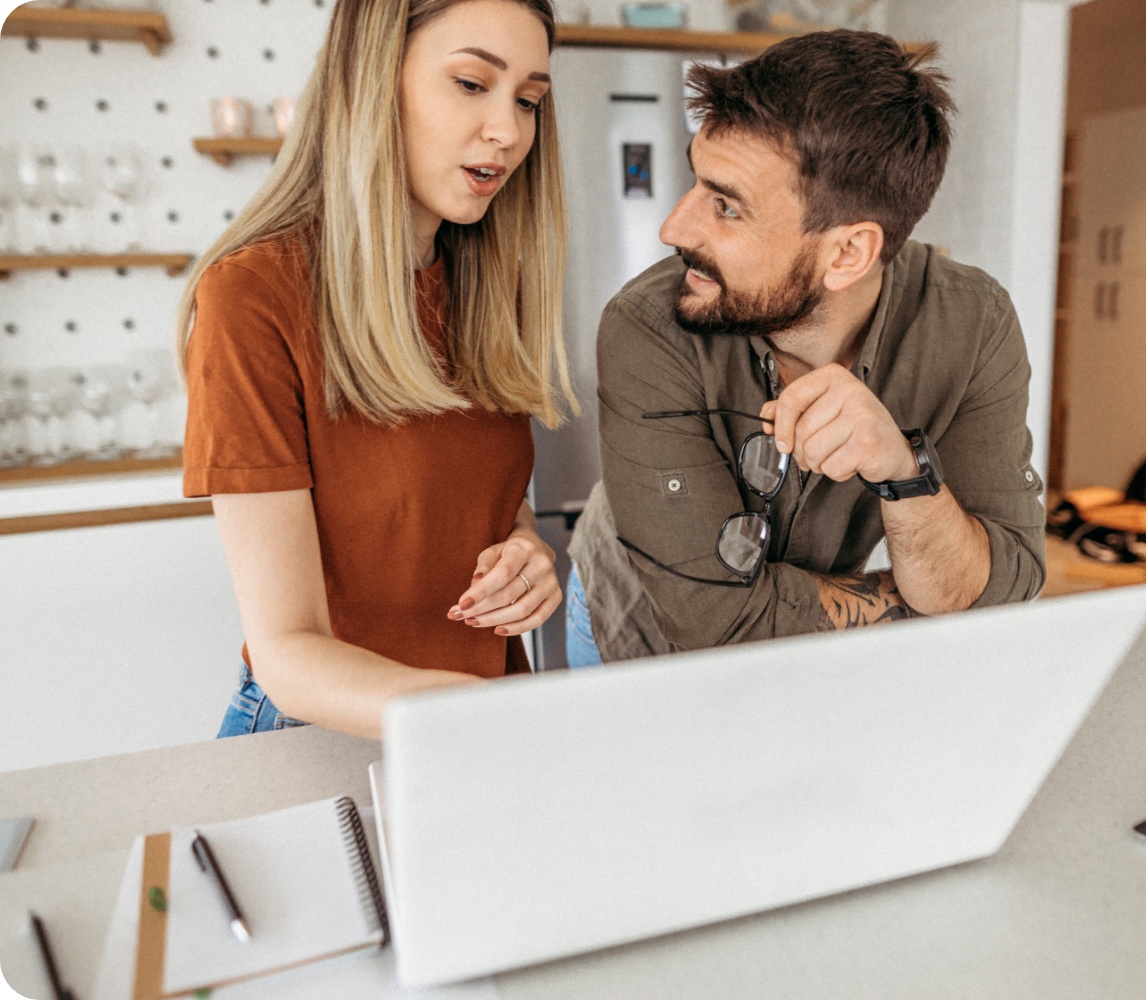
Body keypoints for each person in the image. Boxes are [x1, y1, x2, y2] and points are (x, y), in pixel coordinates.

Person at [565, 30, 1045, 665]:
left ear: (847, 253)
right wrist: (921, 605)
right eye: (696, 181)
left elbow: (1008, 587)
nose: (673, 227)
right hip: (634, 624)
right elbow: (712, 623)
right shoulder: (648, 326)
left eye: (726, 207)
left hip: (813, 652)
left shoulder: (972, 323)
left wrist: (904, 474)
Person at [178, 0, 575, 739]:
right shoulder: (252, 296)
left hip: (479, 717)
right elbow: (287, 653)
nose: (509, 131)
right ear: (371, 80)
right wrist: (491, 720)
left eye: (527, 101)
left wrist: (523, 547)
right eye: (470, 84)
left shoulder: (483, 291)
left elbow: (456, 502)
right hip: (326, 735)